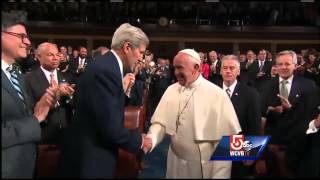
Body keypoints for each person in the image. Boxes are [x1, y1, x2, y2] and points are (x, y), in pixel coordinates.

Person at [57, 23, 151, 178]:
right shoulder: (107, 71)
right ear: (127, 47)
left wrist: (123, 92)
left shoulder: (108, 65)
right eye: (140, 52)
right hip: (90, 158)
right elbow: (109, 126)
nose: (141, 58)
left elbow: (106, 108)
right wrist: (139, 141)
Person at [144, 49, 242, 178]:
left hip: (203, 164)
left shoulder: (216, 94)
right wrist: (152, 138)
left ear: (196, 67)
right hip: (176, 160)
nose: (176, 73)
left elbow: (225, 142)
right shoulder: (171, 90)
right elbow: (160, 123)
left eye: (180, 68)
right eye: (174, 68)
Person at [1, 12, 58, 178]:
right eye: (21, 36)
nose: (27, 41)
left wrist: (43, 106)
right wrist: (36, 119)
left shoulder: (16, 74)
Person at [260, 50, 316, 177]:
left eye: (287, 64)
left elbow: (311, 115)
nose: (283, 67)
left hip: (298, 144)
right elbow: (260, 109)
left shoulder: (308, 85)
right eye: (280, 64)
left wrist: (291, 109)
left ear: (295, 65)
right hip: (272, 141)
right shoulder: (265, 84)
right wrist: (269, 110)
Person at [217, 55, 262, 178]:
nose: (228, 71)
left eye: (232, 68)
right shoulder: (212, 91)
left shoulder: (251, 94)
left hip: (238, 146)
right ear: (220, 70)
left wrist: (251, 153)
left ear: (238, 71)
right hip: (214, 144)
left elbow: (255, 126)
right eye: (225, 67)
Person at [24, 42, 75, 144]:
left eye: (57, 55)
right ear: (39, 57)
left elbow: (74, 105)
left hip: (67, 135)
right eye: (50, 55)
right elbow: (29, 109)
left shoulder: (67, 77)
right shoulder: (28, 79)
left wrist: (71, 96)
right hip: (43, 136)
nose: (55, 58)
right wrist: (55, 94)